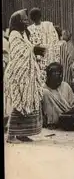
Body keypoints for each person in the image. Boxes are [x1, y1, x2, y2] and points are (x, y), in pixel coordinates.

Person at [4, 9, 45, 144]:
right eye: (24, 20)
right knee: (19, 103)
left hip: (28, 74)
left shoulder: (23, 34)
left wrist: (35, 49)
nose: (27, 22)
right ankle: (11, 136)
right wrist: (34, 50)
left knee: (30, 102)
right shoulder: (14, 34)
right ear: (18, 22)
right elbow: (19, 52)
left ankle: (23, 134)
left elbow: (27, 48)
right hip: (19, 73)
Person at [41, 62, 74, 127]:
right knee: (45, 92)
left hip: (69, 115)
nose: (60, 78)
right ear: (49, 76)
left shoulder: (65, 85)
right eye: (56, 75)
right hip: (54, 120)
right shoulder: (43, 90)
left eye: (61, 75)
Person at [27, 7, 60, 81]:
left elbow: (54, 42)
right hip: (42, 58)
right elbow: (55, 43)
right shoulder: (30, 29)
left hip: (44, 58)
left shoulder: (47, 26)